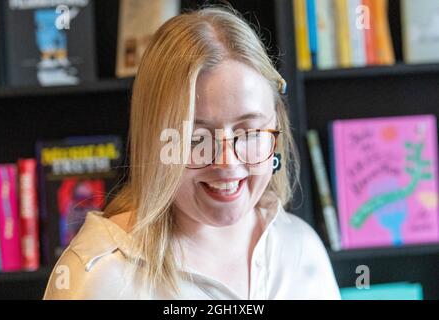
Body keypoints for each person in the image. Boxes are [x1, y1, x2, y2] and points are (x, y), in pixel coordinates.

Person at [43, 5, 340, 300]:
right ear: (154, 141)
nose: (227, 162)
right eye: (195, 138)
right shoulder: (97, 278)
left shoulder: (301, 248)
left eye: (248, 133)